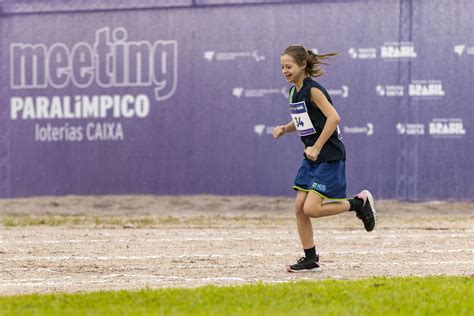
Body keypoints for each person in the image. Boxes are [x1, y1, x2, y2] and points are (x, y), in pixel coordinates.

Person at [273, 45, 376, 273]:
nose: (284, 71)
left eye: (288, 66)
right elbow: (304, 121)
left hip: (328, 155)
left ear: (302, 65)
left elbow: (334, 118)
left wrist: (317, 147)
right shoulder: (293, 92)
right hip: (311, 156)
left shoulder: (313, 90)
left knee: (311, 209)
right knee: (299, 208)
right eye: (282, 67)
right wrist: (285, 128)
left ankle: (359, 203)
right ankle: (310, 259)